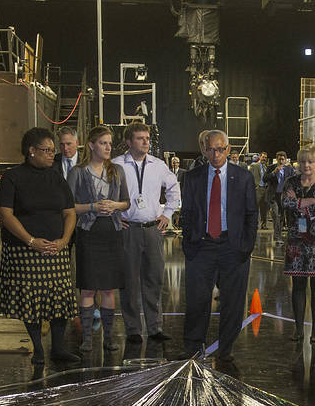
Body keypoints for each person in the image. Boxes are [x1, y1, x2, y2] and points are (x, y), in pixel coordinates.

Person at [0, 127, 79, 366]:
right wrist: (30, 240)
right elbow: (6, 214)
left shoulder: (56, 177)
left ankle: (59, 348)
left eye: (53, 150)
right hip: (25, 249)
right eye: (46, 150)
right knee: (31, 300)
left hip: (55, 248)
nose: (52, 154)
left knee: (59, 299)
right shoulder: (13, 178)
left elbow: (69, 212)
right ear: (31, 151)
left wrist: (64, 240)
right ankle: (38, 348)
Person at [179, 130, 258, 361]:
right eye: (211, 149)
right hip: (201, 245)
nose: (216, 154)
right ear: (204, 150)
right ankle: (193, 346)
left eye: (220, 149)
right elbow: (187, 213)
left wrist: (247, 245)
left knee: (232, 301)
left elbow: (252, 214)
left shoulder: (243, 177)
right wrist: (189, 240)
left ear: (228, 150)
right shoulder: (193, 177)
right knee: (196, 299)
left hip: (233, 247)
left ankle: (226, 349)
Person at [113, 122, 181, 343]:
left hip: (153, 229)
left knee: (154, 279)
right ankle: (133, 329)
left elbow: (174, 188)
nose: (146, 142)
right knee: (129, 281)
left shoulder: (158, 165)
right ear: (128, 142)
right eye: (140, 138)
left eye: (147, 138)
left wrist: (168, 214)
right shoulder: (115, 165)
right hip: (128, 229)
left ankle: (154, 328)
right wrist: (114, 217)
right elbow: (105, 194)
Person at [67, 126, 131, 354]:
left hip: (111, 233)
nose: (108, 147)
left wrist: (115, 206)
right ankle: (86, 338)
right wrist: (92, 206)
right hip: (88, 233)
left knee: (108, 290)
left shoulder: (117, 171)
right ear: (92, 145)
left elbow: (126, 202)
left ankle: (108, 337)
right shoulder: (78, 172)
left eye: (110, 143)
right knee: (86, 289)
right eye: (103, 143)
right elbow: (69, 206)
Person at [281, 144, 315, 344]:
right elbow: (285, 202)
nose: (306, 165)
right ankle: (299, 329)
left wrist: (299, 203)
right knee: (298, 285)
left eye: (310, 161)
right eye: (302, 161)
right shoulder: (291, 181)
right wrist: (309, 202)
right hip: (296, 240)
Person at [266, 151, 294, 243]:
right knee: (276, 216)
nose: (281, 161)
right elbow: (264, 179)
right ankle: (277, 237)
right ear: (276, 159)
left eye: (283, 159)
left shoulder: (289, 169)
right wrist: (274, 172)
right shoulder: (271, 168)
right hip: (274, 196)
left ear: (285, 160)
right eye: (279, 159)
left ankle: (281, 234)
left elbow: (293, 181)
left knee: (282, 216)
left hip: (284, 195)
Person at [248, 152, 270, 229]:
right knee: (255, 208)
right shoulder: (254, 165)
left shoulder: (265, 167)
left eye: (265, 157)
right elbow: (249, 176)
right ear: (260, 157)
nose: (264, 159)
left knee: (264, 209)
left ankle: (264, 225)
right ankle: (254, 224)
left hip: (265, 189)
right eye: (263, 157)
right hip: (257, 189)